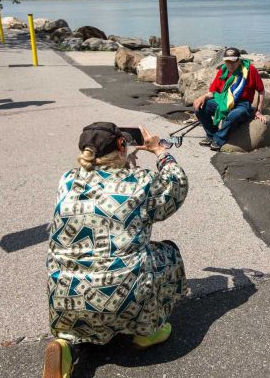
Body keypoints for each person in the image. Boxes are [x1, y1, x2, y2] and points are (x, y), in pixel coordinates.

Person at [43, 122, 189, 378]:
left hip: (67, 295)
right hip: (121, 294)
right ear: (122, 145)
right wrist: (160, 151)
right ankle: (148, 330)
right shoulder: (140, 182)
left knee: (78, 281)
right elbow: (177, 185)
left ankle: (65, 345)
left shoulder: (67, 180)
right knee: (167, 254)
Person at [193, 47, 266, 151]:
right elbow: (213, 92)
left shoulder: (250, 70)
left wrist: (259, 111)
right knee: (200, 107)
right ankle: (211, 135)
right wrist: (202, 98)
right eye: (227, 61)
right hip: (224, 101)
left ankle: (218, 139)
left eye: (233, 61)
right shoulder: (222, 71)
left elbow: (261, 91)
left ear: (238, 61)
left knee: (234, 115)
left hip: (242, 104)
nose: (230, 64)